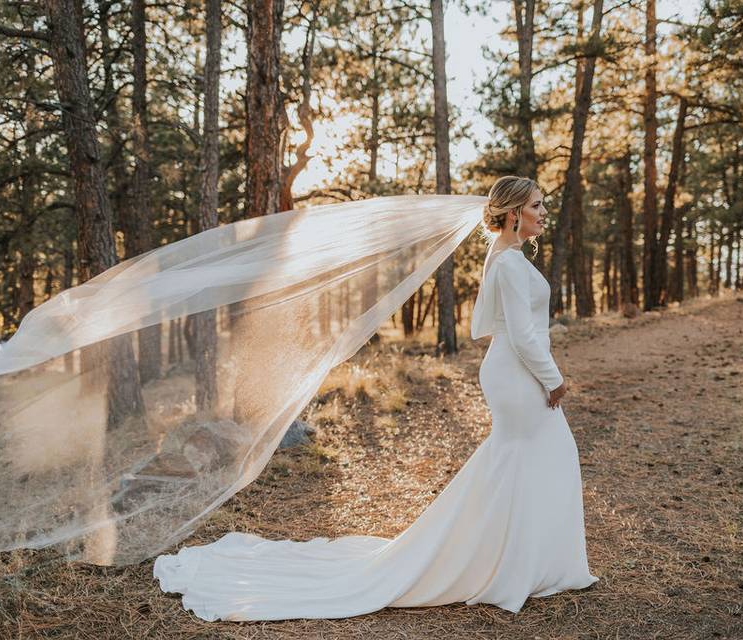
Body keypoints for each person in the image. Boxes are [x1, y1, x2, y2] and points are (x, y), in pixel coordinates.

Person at [152, 175, 599, 620]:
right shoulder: (507, 262)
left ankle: (520, 560)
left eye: (542, 206)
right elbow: (521, 334)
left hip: (511, 371)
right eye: (537, 205)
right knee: (533, 454)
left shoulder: (505, 255)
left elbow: (497, 327)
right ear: (514, 212)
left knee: (523, 458)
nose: (544, 213)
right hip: (519, 374)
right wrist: (553, 378)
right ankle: (512, 564)